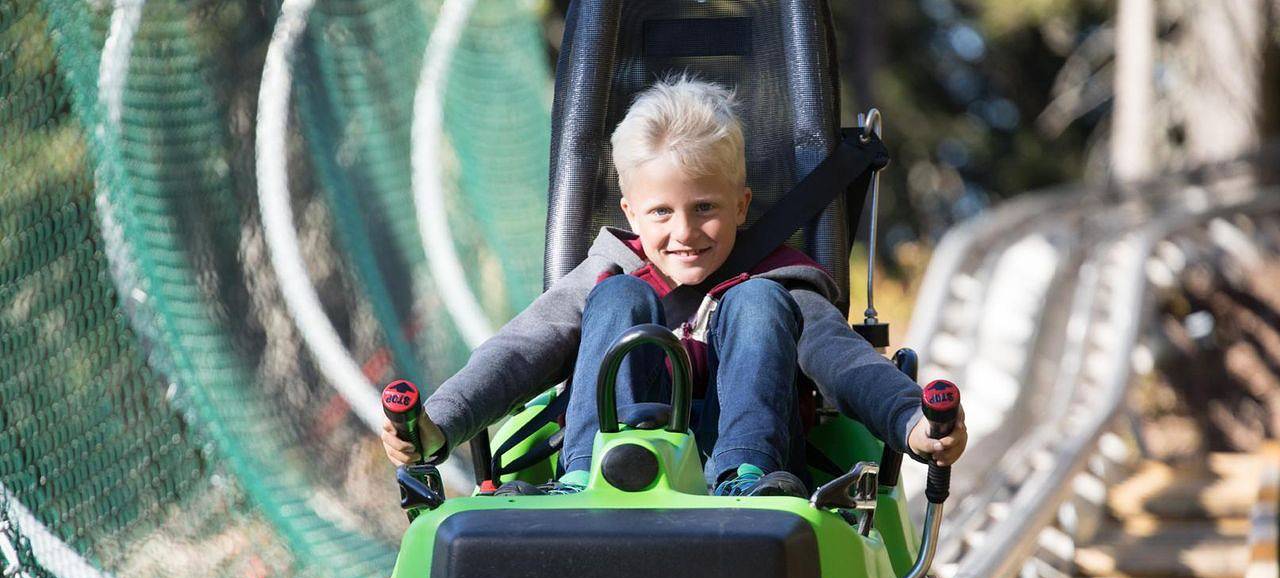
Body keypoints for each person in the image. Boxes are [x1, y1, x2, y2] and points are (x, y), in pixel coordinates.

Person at [382, 76, 966, 497]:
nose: (684, 233)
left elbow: (845, 364)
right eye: (661, 212)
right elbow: (517, 350)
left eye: (705, 208)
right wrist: (440, 423)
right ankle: (585, 476)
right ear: (631, 213)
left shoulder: (783, 283)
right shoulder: (609, 273)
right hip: (615, 471)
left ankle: (746, 479)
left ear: (742, 206)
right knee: (615, 300)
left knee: (756, 302)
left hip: (749, 473)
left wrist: (912, 422)